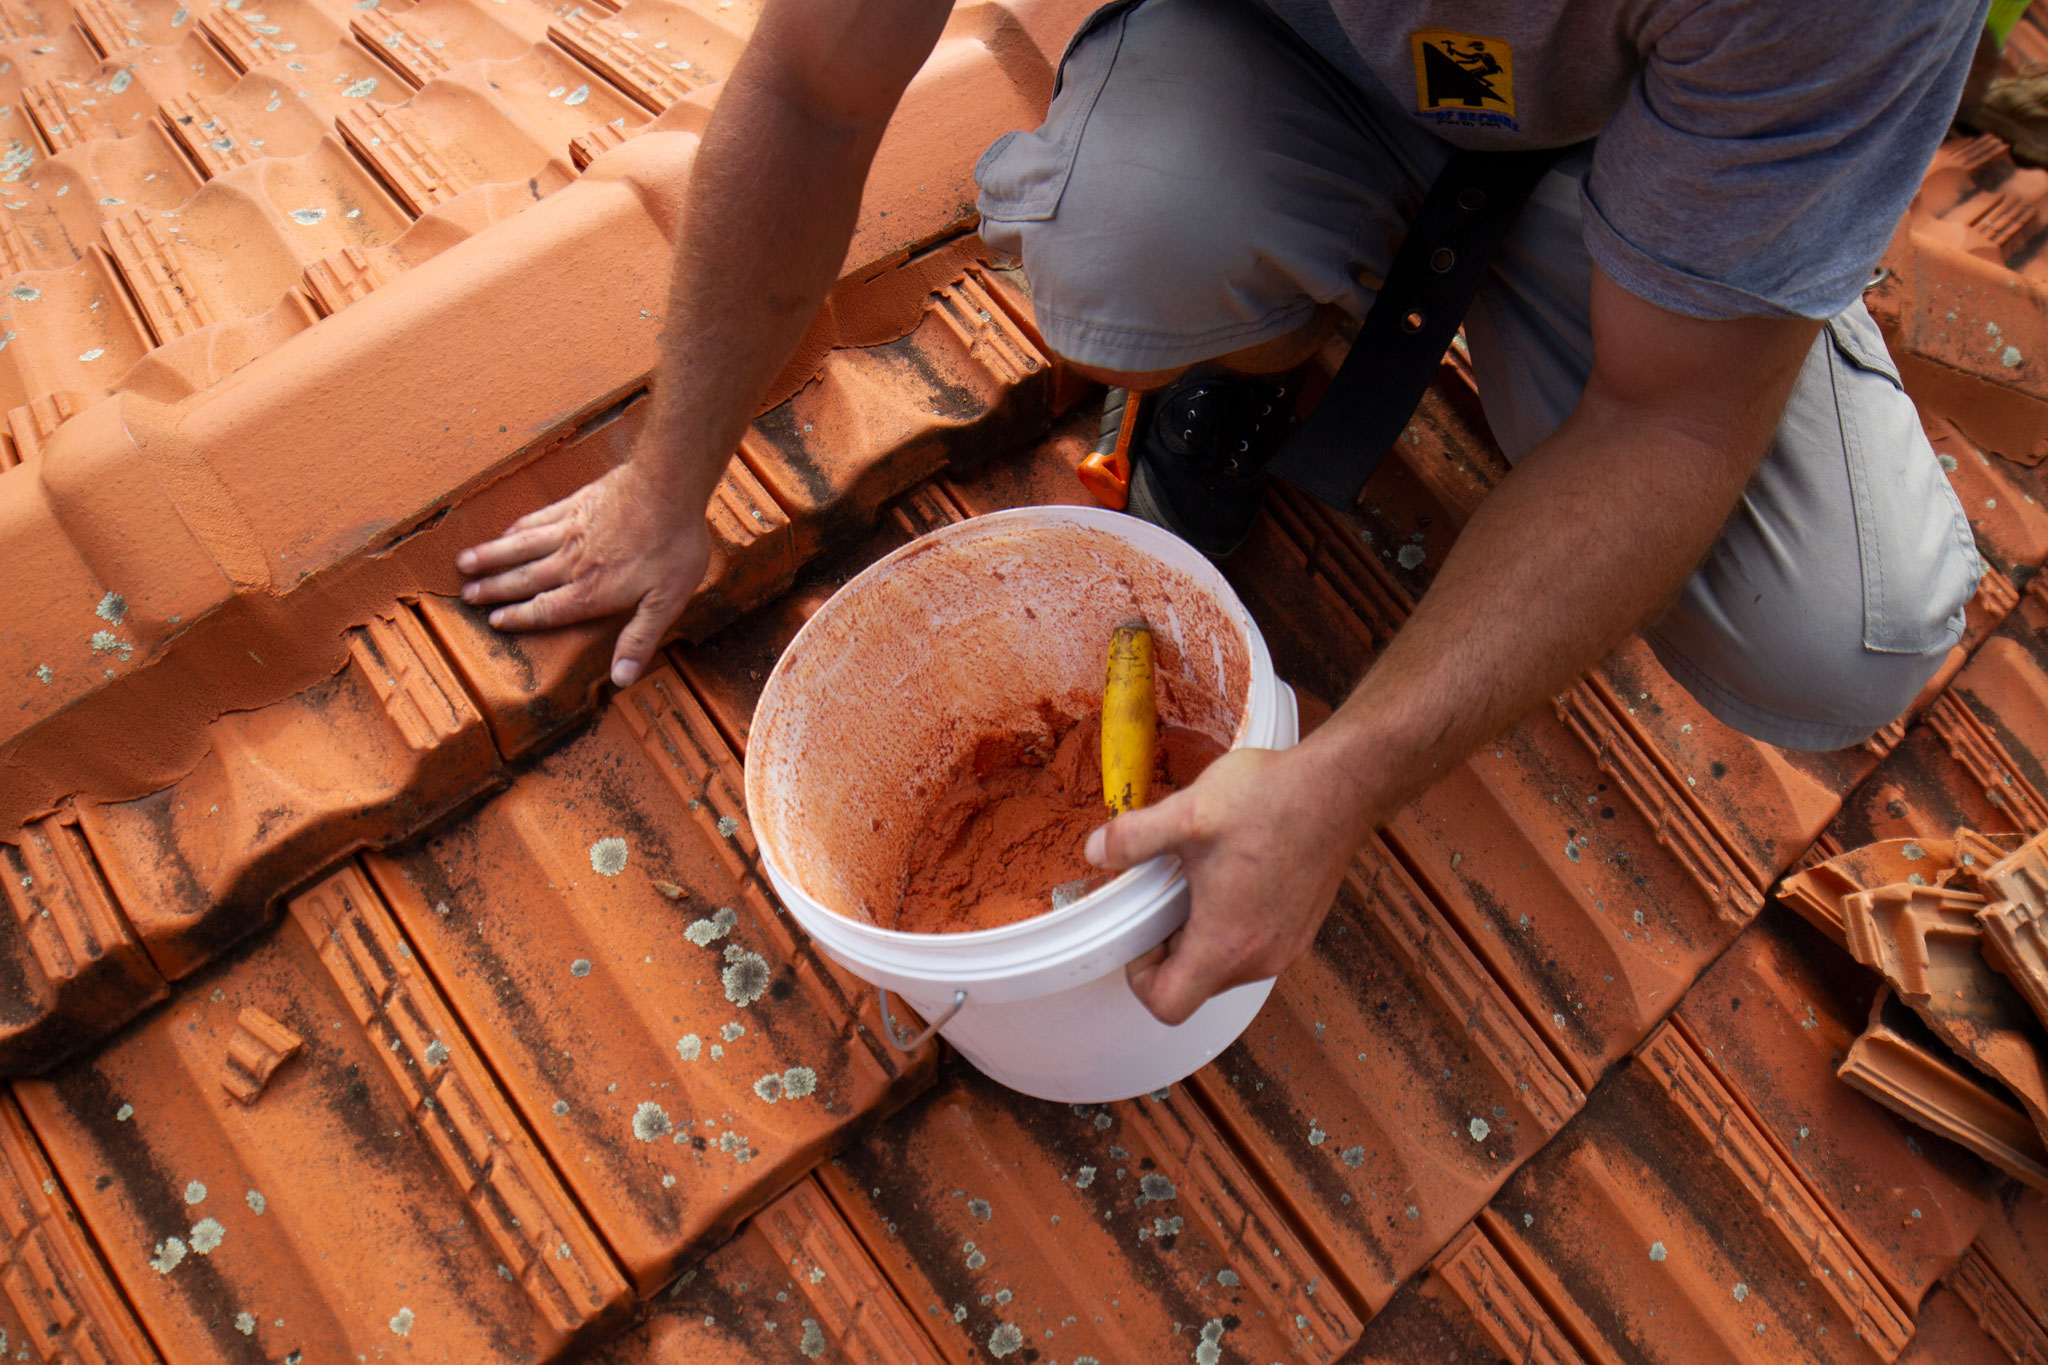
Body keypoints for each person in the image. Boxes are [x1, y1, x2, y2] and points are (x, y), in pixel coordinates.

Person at [458, 0, 1986, 1028]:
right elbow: (807, 86)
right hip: (1277, 60)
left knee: (1834, 639)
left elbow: (1671, 419)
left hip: (1634, 154)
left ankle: (1730, 262)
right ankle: (1267, 334)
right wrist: (670, 481)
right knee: (1130, 245)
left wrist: (1340, 778)